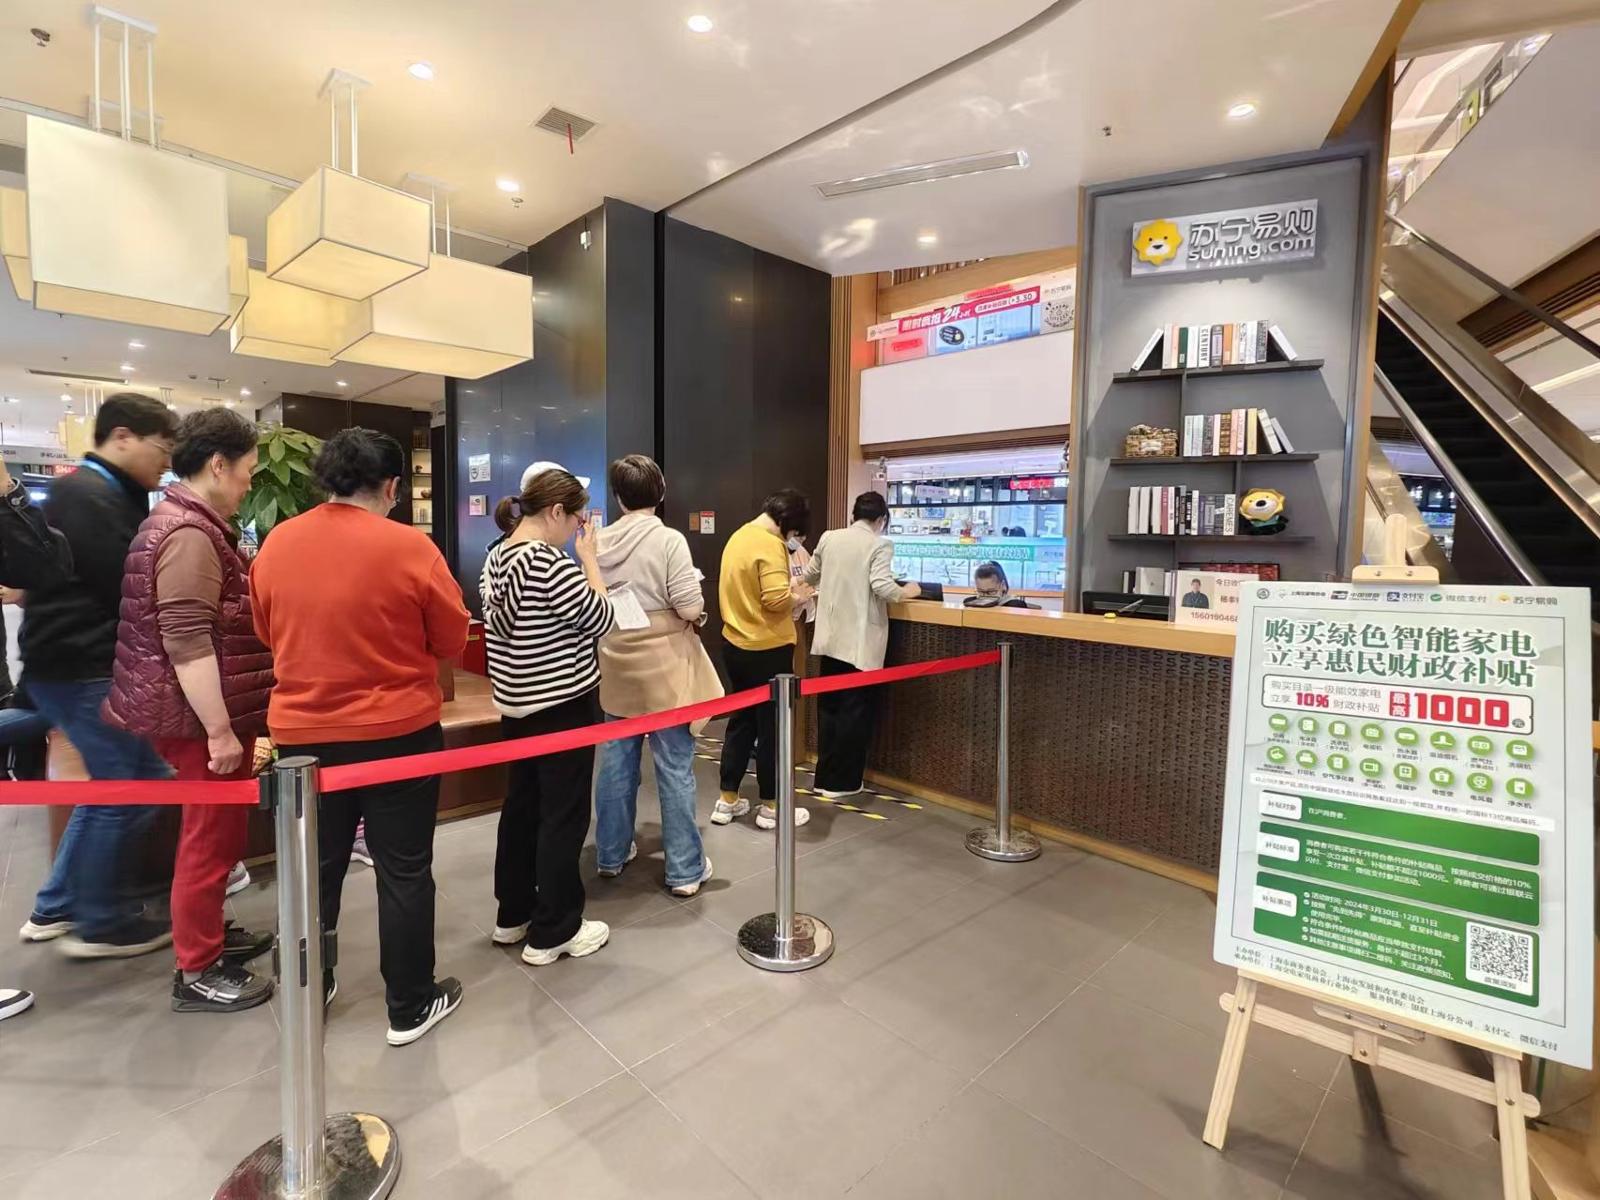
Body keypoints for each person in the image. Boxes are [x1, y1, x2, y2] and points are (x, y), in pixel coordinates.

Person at [251, 428, 470, 1047]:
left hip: (302, 737)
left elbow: (266, 630)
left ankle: (311, 986)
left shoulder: (277, 542)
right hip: (398, 731)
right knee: (404, 868)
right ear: (393, 486)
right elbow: (451, 638)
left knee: (314, 869)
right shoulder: (410, 547)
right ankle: (409, 1003)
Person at [104, 408, 275, 1013]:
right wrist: (220, 731)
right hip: (196, 718)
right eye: (248, 470)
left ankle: (207, 936)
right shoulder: (189, 534)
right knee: (208, 838)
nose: (250, 483)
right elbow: (186, 640)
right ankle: (197, 967)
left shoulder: (187, 523)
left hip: (193, 711)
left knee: (217, 834)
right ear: (218, 465)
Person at [18, 392, 178, 959]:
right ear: (123, 437)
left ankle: (58, 904)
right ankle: (100, 922)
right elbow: (124, 589)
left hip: (70, 666)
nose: (166, 461)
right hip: (83, 667)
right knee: (136, 783)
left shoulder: (99, 492)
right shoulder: (89, 496)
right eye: (162, 447)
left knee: (117, 782)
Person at [481, 466, 615, 964]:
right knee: (563, 816)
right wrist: (590, 561)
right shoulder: (548, 563)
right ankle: (555, 930)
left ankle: (513, 914)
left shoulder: (497, 556)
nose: (579, 529)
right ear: (557, 511)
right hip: (561, 704)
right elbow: (603, 618)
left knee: (522, 808)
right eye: (578, 519)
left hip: (516, 705)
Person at [592, 455, 721, 896]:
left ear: (618, 497)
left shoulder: (598, 542)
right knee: (674, 765)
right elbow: (688, 605)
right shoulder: (668, 540)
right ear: (661, 492)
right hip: (664, 667)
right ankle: (684, 870)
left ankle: (610, 854)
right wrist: (694, 612)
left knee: (615, 764)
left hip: (616, 662)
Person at [803, 492, 919, 799]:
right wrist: (908, 591)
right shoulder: (879, 544)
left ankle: (823, 778)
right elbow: (881, 586)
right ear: (881, 519)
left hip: (829, 640)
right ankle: (843, 783)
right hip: (859, 644)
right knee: (854, 713)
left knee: (829, 709)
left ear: (853, 515)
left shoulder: (830, 537)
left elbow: (811, 575)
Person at [715, 488, 810, 830]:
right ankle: (771, 804)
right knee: (773, 728)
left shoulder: (739, 536)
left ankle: (727, 799)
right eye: (796, 532)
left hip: (734, 644)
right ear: (787, 523)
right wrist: (799, 595)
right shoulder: (770, 544)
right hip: (768, 649)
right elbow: (773, 600)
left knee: (741, 721)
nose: (794, 539)